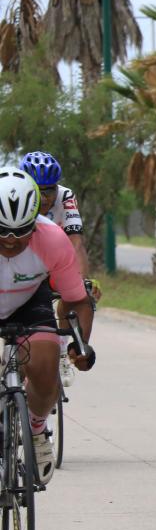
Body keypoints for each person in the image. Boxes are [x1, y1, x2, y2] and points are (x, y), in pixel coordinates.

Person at [0, 168, 95, 484]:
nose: (11, 241)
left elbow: (77, 299)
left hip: (29, 300)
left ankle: (37, 429)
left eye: (20, 232)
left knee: (45, 363)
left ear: (35, 222)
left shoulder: (52, 239)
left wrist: (79, 346)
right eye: (2, 231)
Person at [19, 151, 101, 389]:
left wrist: (82, 280)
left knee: (76, 293)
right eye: (39, 190)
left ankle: (68, 350)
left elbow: (75, 242)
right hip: (22, 261)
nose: (45, 198)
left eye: (50, 189)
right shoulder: (13, 193)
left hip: (54, 259)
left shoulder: (65, 197)